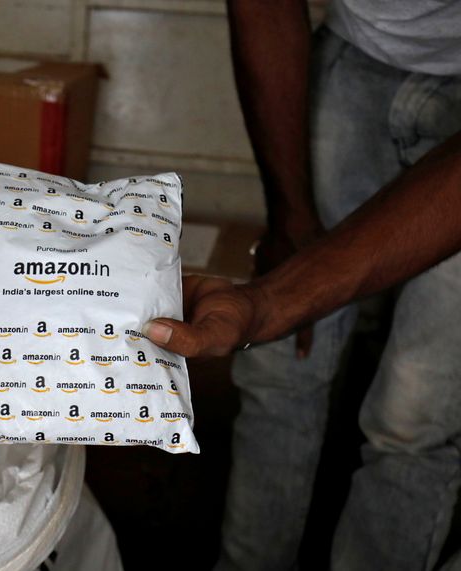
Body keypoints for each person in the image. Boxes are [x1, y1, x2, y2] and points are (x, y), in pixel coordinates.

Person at [144, 1, 461, 569]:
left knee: (417, 416)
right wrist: (289, 217)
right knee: (282, 368)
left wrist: (269, 302)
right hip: (358, 56)